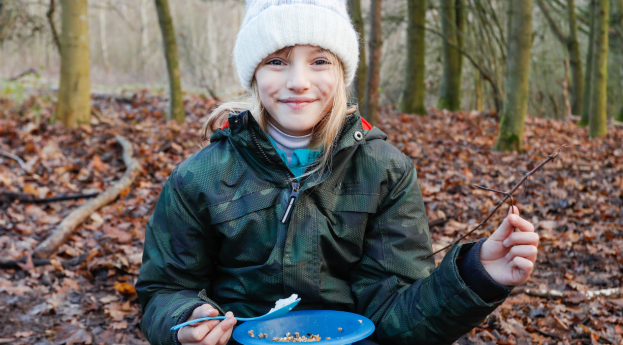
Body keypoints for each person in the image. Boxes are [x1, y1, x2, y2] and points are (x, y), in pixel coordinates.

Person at [135, 1, 539, 344]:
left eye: (319, 61)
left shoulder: (385, 171)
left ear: (341, 72)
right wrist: (187, 319)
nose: (298, 82)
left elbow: (398, 317)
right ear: (253, 72)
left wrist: (477, 276)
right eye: (277, 61)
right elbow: (164, 290)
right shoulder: (199, 177)